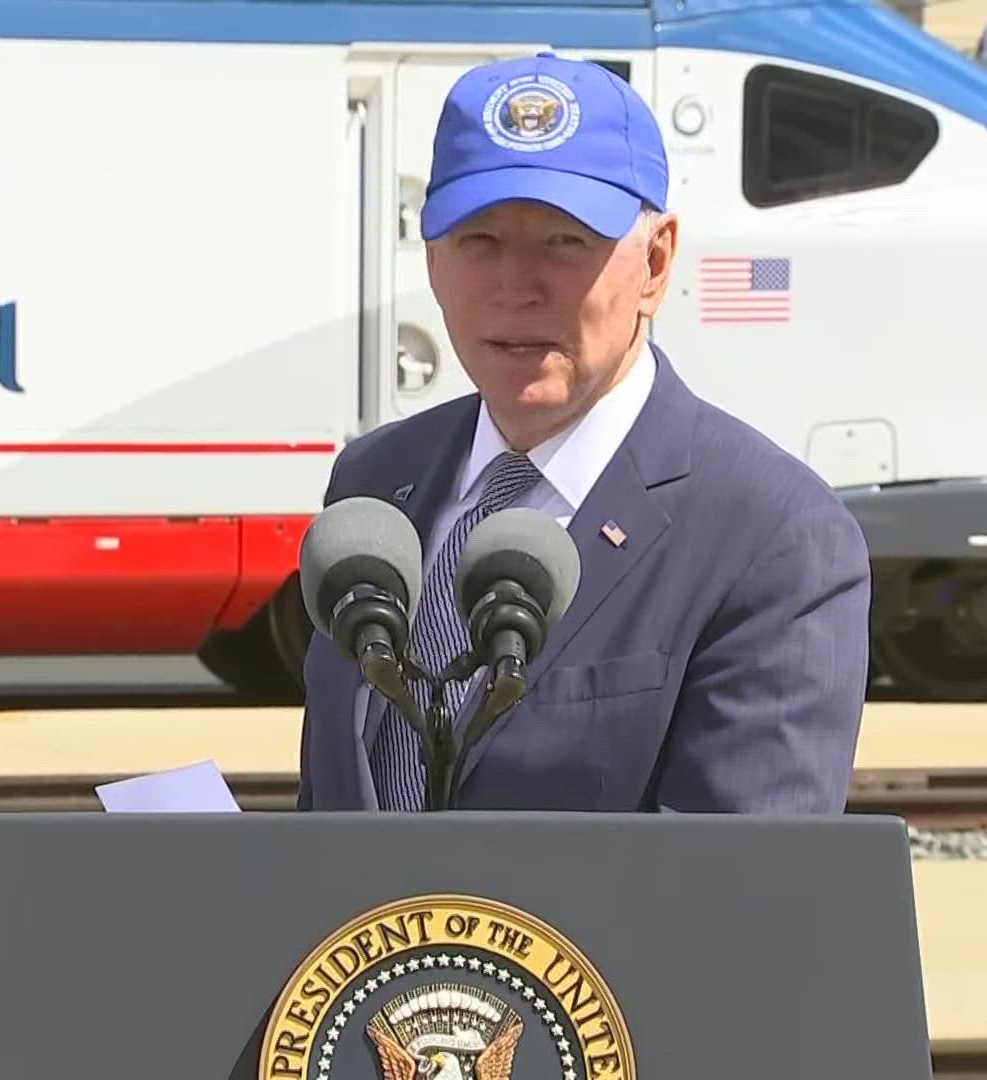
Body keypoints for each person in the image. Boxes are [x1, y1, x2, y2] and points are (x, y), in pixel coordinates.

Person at [295, 51, 871, 814]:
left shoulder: (772, 536)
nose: (515, 287)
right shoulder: (373, 487)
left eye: (564, 242)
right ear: (433, 262)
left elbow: (741, 901)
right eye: (479, 241)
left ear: (656, 262)